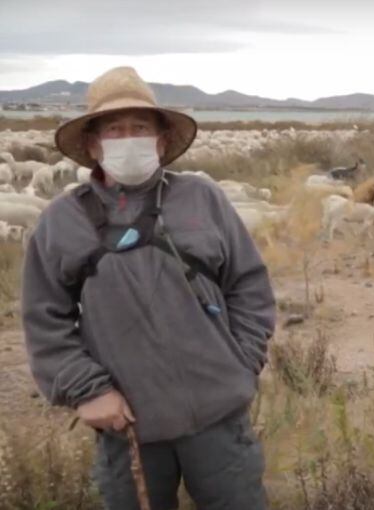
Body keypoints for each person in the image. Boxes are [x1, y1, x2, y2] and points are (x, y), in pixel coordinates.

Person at [22, 66, 276, 509]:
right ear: (92, 144)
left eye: (140, 128)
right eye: (114, 130)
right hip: (127, 426)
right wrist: (89, 390)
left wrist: (241, 360)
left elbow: (249, 285)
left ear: (160, 140)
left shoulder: (203, 198)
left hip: (218, 418)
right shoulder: (61, 222)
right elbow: (44, 320)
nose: (128, 138)